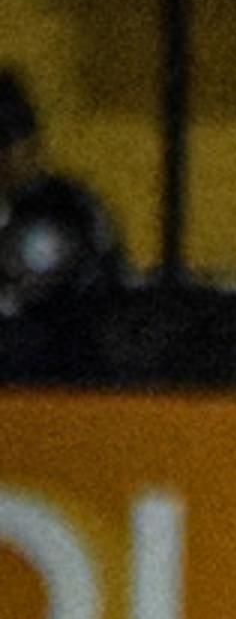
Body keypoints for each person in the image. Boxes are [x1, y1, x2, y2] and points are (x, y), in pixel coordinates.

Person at [0, 69, 129, 384]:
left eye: (8, 146)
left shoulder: (66, 208)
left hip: (62, 376)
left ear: (30, 144)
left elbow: (92, 303)